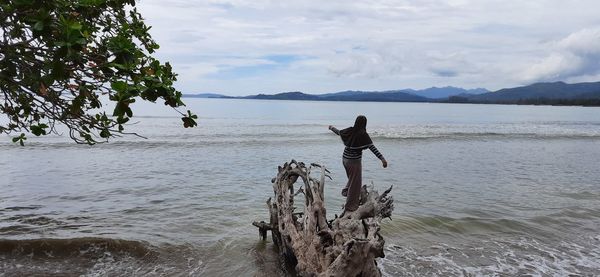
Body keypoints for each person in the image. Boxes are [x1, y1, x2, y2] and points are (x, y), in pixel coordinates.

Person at [329, 115, 387, 212]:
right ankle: (351, 207)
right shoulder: (363, 134)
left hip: (345, 160)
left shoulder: (350, 130)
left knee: (352, 180)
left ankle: (346, 191)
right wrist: (382, 159)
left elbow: (339, 132)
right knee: (355, 184)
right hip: (354, 162)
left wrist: (331, 128)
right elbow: (372, 148)